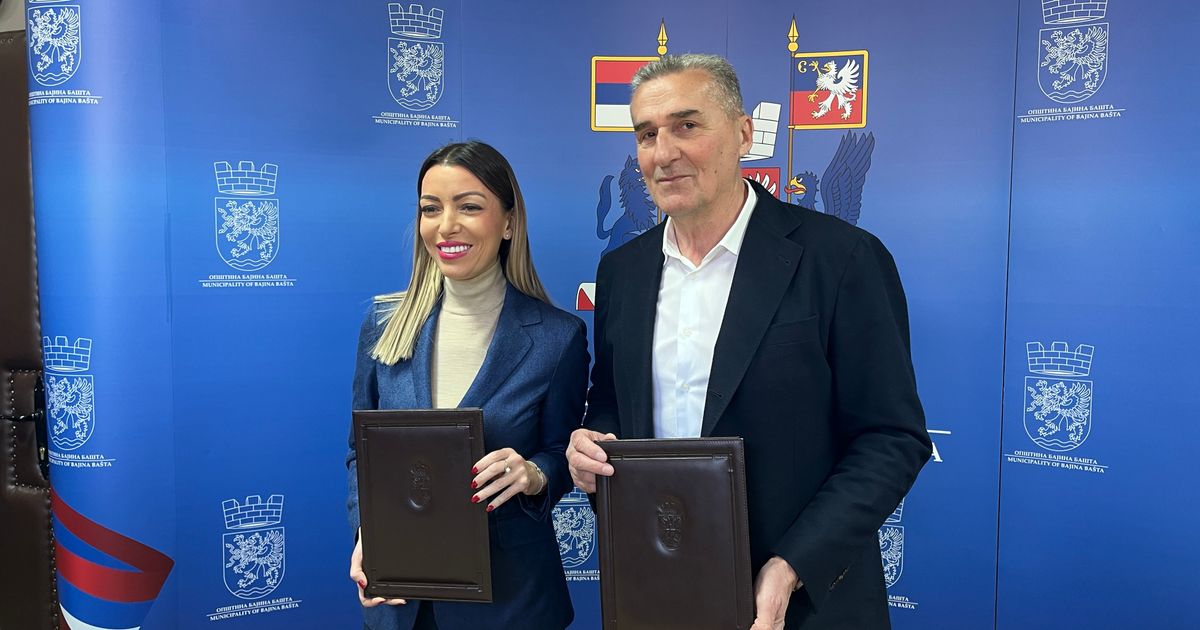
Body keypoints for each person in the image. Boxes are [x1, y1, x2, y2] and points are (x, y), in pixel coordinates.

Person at [566, 54, 931, 629]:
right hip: (660, 589)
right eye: (647, 134)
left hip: (802, 605)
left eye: (687, 125)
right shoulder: (622, 271)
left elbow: (891, 438)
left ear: (743, 134)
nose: (663, 153)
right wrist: (594, 446)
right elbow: (611, 398)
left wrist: (790, 567)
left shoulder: (842, 259)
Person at [347, 140, 587, 630]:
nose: (446, 226)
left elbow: (563, 454)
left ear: (508, 222)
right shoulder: (383, 325)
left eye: (469, 207)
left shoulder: (558, 337)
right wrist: (367, 530)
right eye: (431, 208)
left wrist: (534, 474)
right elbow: (361, 453)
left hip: (511, 603)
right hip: (403, 602)